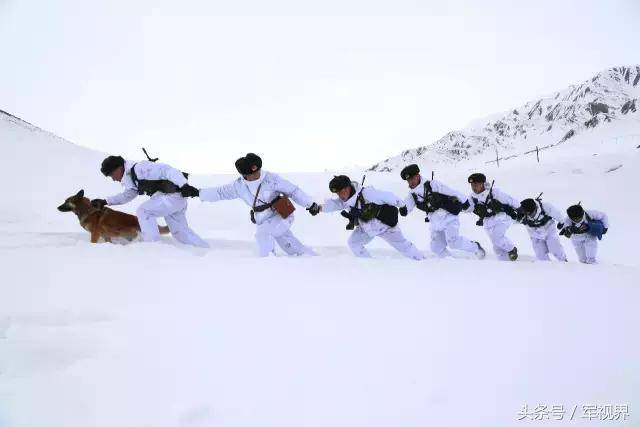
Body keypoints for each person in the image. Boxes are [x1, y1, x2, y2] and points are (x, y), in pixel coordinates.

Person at [182, 153, 318, 257]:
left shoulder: (272, 179)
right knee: (289, 245)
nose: (255, 175)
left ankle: (268, 265)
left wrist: (310, 204)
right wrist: (197, 193)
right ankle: (309, 258)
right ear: (244, 174)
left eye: (257, 171)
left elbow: (294, 191)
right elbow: (220, 192)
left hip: (282, 216)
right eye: (250, 174)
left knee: (263, 235)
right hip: (264, 220)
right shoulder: (239, 186)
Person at [91, 154, 209, 247]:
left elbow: (167, 170)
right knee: (180, 233)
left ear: (118, 168)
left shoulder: (140, 168)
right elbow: (128, 195)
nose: (113, 179)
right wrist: (106, 201)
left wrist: (183, 185)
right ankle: (204, 251)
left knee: (144, 211)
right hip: (174, 199)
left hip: (172, 197)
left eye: (111, 174)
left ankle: (152, 246)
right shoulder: (131, 177)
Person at [314, 175, 424, 260]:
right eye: (337, 193)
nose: (340, 195)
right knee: (353, 243)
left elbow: (387, 196)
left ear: (348, 187)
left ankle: (422, 261)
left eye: (341, 191)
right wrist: (319, 208)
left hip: (385, 226)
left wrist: (402, 205)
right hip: (366, 228)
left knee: (403, 245)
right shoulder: (345, 200)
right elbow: (334, 204)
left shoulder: (367, 193)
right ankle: (368, 264)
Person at [399, 164, 485, 259]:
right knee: (436, 247)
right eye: (409, 180)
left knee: (453, 242)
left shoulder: (432, 185)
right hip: (435, 221)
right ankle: (448, 262)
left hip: (449, 216)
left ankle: (476, 247)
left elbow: (452, 191)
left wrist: (464, 202)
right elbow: (407, 205)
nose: (411, 181)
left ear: (418, 176)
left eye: (413, 178)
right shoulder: (412, 195)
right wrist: (404, 209)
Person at [466, 173, 519, 261]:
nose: (473, 187)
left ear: (482, 184)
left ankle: (512, 249)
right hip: (488, 221)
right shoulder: (472, 197)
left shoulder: (494, 193)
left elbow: (510, 200)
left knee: (497, 238)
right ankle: (505, 262)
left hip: (502, 218)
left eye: (476, 184)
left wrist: (520, 209)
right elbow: (468, 208)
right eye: (472, 185)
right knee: (496, 245)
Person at [517, 196, 567, 261]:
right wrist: (515, 217)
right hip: (534, 234)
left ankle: (564, 261)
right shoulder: (521, 214)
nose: (529, 215)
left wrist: (562, 222)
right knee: (540, 254)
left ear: (536, 208)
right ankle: (546, 268)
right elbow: (510, 219)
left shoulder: (546, 206)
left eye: (531, 213)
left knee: (555, 248)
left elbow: (558, 214)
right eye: (527, 214)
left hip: (549, 230)